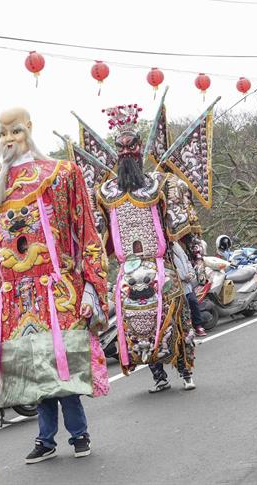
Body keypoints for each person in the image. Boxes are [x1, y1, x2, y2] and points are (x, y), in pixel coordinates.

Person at [0, 107, 110, 464]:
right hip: (15, 298)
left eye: (15, 131)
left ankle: (79, 435)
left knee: (63, 370)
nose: (8, 139)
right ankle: (45, 439)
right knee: (33, 374)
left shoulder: (61, 175)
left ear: (29, 130)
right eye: (1, 133)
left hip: (56, 293)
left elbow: (86, 234)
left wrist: (91, 287)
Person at [88, 104, 198, 394]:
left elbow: (183, 228)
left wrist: (195, 259)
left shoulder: (161, 184)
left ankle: (185, 370)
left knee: (176, 319)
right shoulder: (105, 193)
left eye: (130, 146)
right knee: (137, 327)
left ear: (139, 149)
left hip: (161, 265)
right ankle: (158, 375)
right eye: (120, 147)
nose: (125, 152)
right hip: (127, 272)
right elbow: (95, 237)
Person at [172, 241, 207, 337]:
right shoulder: (163, 249)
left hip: (187, 282)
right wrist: (183, 276)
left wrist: (191, 273)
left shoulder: (176, 245)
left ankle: (198, 325)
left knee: (193, 301)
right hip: (176, 283)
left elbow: (186, 260)